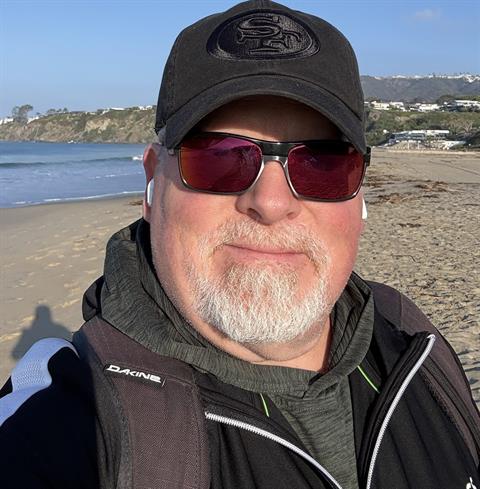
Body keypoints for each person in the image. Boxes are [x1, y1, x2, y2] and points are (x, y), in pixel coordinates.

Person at [1, 1, 479, 488]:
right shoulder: (65, 420)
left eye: (323, 163)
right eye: (220, 157)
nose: (270, 203)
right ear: (152, 183)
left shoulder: (415, 342)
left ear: (359, 195)